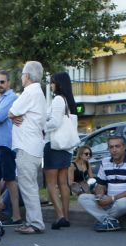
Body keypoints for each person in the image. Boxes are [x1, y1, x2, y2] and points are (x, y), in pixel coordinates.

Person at [10, 61, 47, 234]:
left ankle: (35, 223)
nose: (21, 77)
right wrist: (14, 116)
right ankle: (34, 221)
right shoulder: (38, 92)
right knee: (30, 185)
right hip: (33, 145)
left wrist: (13, 116)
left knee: (28, 186)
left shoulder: (30, 91)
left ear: (27, 76)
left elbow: (12, 111)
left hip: (26, 146)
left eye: (23, 74)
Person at [78, 134, 126, 232]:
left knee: (122, 204)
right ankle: (109, 221)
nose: (114, 150)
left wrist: (112, 199)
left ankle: (104, 219)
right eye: (111, 147)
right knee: (83, 198)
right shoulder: (105, 162)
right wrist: (99, 195)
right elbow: (100, 185)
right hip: (110, 200)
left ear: (124, 147)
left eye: (117, 146)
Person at [44, 71, 78, 230]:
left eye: (52, 82)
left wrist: (42, 127)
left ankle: (60, 216)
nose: (51, 85)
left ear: (58, 84)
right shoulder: (70, 101)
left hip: (54, 145)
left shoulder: (58, 99)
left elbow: (55, 122)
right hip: (66, 146)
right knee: (63, 183)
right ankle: (66, 215)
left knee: (51, 183)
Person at [0, 70, 21, 224]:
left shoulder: (12, 98)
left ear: (8, 83)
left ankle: (16, 216)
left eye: (2, 82)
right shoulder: (0, 99)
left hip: (6, 144)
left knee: (9, 180)